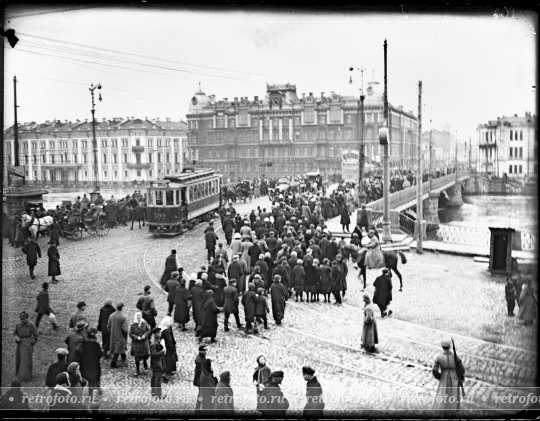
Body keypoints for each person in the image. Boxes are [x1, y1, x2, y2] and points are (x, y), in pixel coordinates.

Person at [432, 339, 465, 412]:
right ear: (449, 347)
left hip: (444, 376)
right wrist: (461, 378)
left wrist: (440, 377)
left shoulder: (438, 357)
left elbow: (434, 370)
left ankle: (443, 409)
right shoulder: (456, 357)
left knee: (443, 393)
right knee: (453, 393)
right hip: (454, 377)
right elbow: (462, 369)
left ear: (442, 346)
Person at [14, 311, 38, 382]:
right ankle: (19, 374)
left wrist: (31, 343)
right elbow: (15, 333)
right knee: (19, 359)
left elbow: (35, 335)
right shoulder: (18, 324)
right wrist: (16, 337)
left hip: (27, 345)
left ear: (27, 318)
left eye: (23, 318)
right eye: (21, 318)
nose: (22, 320)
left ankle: (27, 376)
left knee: (27, 361)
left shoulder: (31, 325)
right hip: (20, 344)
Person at [80, 327, 103, 397]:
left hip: (85, 363)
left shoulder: (83, 343)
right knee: (95, 378)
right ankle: (96, 391)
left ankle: (88, 393)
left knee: (87, 377)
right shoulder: (95, 344)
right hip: (94, 364)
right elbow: (100, 354)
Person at [129, 312, 150, 377]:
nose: (139, 319)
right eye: (138, 318)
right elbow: (130, 334)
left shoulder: (144, 323)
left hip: (144, 343)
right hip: (137, 344)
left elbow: (148, 330)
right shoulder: (133, 325)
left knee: (145, 355)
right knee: (137, 357)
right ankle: (137, 370)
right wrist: (136, 337)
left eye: (140, 317)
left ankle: (145, 363)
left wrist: (145, 335)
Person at [108, 302, 128, 368]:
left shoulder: (111, 315)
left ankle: (123, 356)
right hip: (120, 335)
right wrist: (126, 335)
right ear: (122, 308)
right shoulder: (122, 317)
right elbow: (125, 329)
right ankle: (113, 363)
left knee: (117, 347)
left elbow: (108, 326)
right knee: (118, 349)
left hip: (113, 335)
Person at [150, 327, 166, 399]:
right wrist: (162, 352)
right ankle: (159, 395)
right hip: (156, 363)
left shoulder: (156, 342)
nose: (160, 334)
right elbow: (154, 354)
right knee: (157, 379)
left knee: (154, 378)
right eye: (159, 333)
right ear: (156, 334)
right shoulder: (154, 344)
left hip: (154, 363)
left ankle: (153, 393)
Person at [193, 344, 207, 410]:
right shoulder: (199, 360)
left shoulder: (202, 357)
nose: (205, 351)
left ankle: (199, 406)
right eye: (204, 350)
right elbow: (201, 371)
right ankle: (198, 407)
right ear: (200, 351)